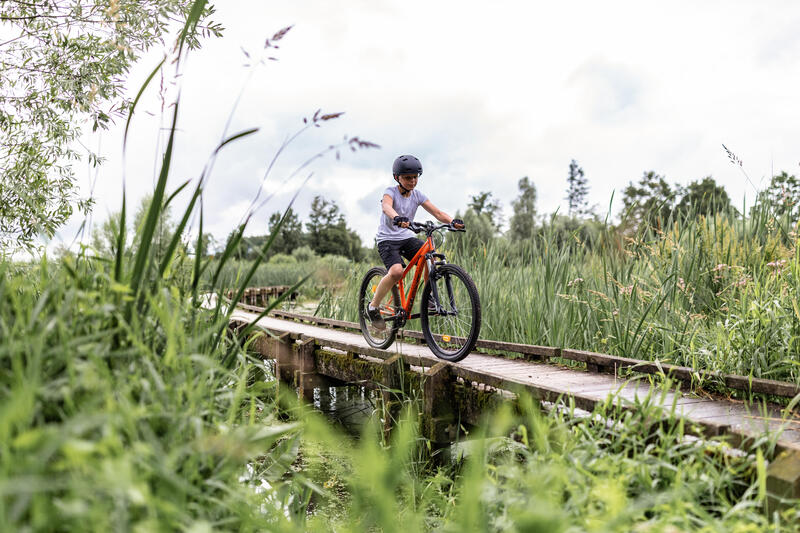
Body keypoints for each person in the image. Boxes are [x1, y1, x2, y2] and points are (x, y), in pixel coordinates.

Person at [367, 154, 464, 330]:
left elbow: (437, 213)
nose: (412, 181)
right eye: (407, 178)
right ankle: (373, 307)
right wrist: (397, 217)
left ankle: (429, 298)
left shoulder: (418, 195)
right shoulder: (391, 192)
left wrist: (451, 222)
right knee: (396, 272)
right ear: (397, 178)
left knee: (430, 257)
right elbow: (386, 206)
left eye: (415, 177)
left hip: (406, 237)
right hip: (387, 239)